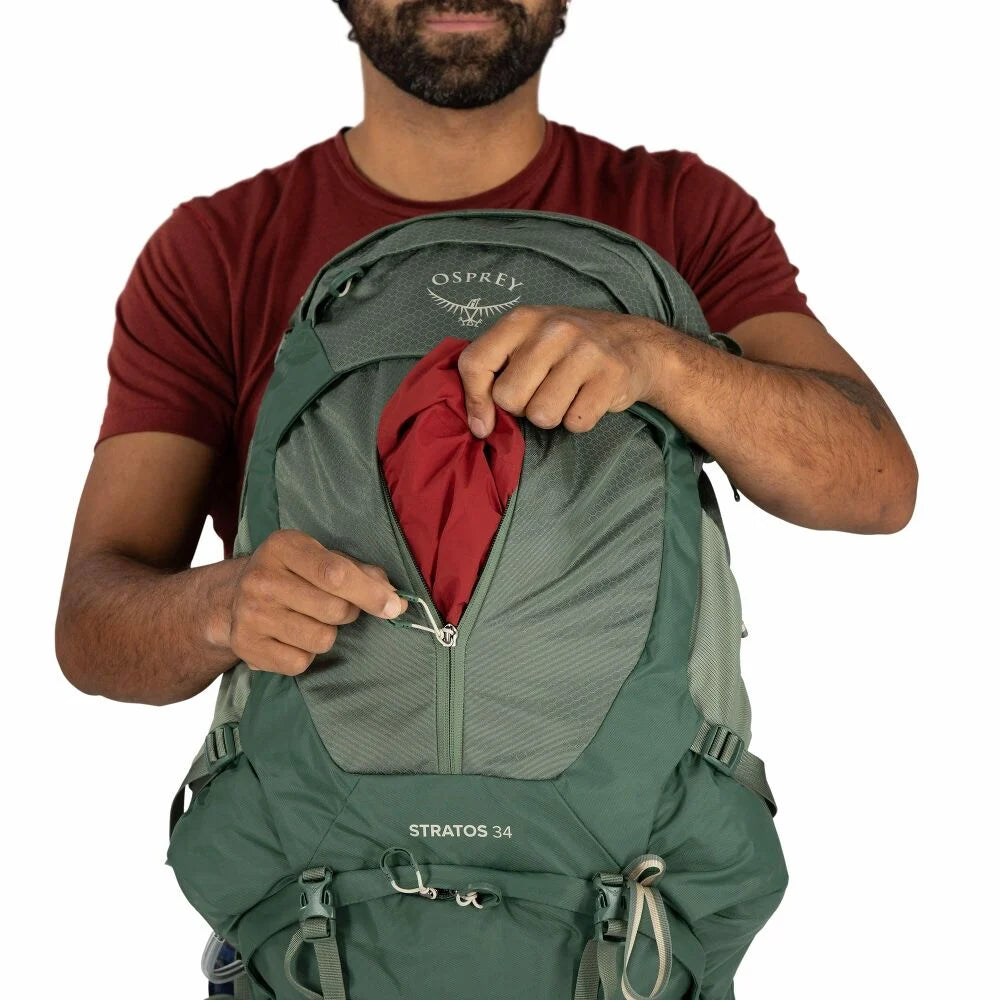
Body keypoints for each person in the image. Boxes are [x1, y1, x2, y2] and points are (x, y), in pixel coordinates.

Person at [55, 2, 918, 988]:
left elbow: (874, 483)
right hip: (323, 934)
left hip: (623, 933)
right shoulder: (220, 249)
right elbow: (93, 623)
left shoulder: (680, 212)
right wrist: (218, 606)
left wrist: (662, 359)